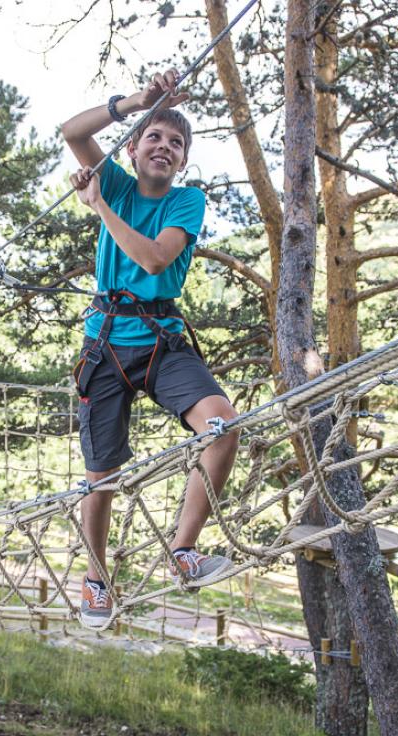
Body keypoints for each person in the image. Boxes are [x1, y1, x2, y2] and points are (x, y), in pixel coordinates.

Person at [61, 68, 240, 628]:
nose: (165, 147)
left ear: (183, 162)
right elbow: (70, 129)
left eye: (177, 143)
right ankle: (95, 579)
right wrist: (137, 101)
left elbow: (155, 260)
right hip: (107, 343)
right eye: (155, 137)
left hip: (161, 340)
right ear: (134, 148)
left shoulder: (185, 202)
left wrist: (99, 208)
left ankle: (183, 551)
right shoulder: (113, 179)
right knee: (102, 477)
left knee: (223, 427)